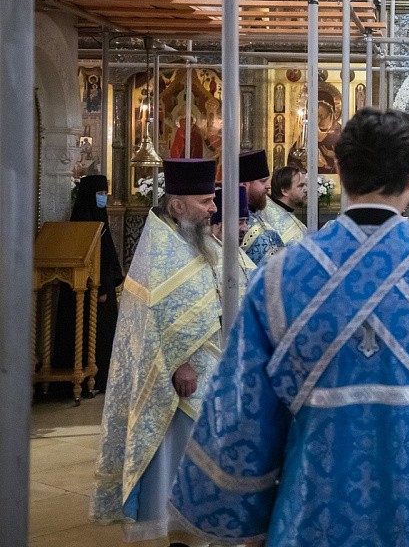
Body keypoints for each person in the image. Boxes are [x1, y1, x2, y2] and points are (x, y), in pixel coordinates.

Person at [170, 108, 409, 546]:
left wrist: (247, 520)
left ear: (339, 169)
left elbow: (243, 415)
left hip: (308, 522)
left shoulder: (279, 278)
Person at [93, 158, 221, 545]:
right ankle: (182, 533)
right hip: (178, 383)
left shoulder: (195, 242)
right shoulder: (158, 249)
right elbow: (150, 320)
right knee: (178, 467)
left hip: (209, 373)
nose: (213, 208)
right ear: (177, 205)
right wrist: (180, 363)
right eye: (205, 201)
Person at [53, 174, 123, 392]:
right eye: (99, 193)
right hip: (90, 288)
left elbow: (107, 254)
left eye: (104, 193)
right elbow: (93, 256)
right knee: (92, 334)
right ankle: (91, 379)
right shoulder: (83, 221)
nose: (103, 197)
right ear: (89, 195)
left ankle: (101, 378)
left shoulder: (99, 217)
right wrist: (100, 286)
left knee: (103, 334)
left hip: (101, 285)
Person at [239, 149, 286, 266]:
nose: (268, 186)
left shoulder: (257, 214)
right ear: (244, 185)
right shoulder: (233, 220)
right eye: (263, 181)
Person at [265, 164, 307, 244]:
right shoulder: (269, 214)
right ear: (284, 191)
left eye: (305, 185)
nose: (306, 189)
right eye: (301, 186)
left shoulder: (283, 211)